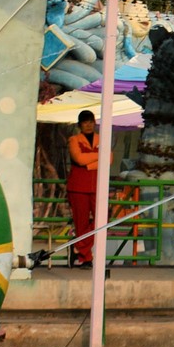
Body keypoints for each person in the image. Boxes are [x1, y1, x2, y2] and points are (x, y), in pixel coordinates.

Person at [66, 111, 101, 266]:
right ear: (80, 124)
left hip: (97, 186)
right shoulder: (74, 140)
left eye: (91, 121)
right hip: (78, 186)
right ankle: (86, 258)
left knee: (102, 219)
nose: (88, 125)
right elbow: (79, 159)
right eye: (85, 122)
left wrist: (89, 164)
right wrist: (98, 156)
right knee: (81, 222)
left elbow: (109, 159)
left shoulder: (102, 138)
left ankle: (79, 246)